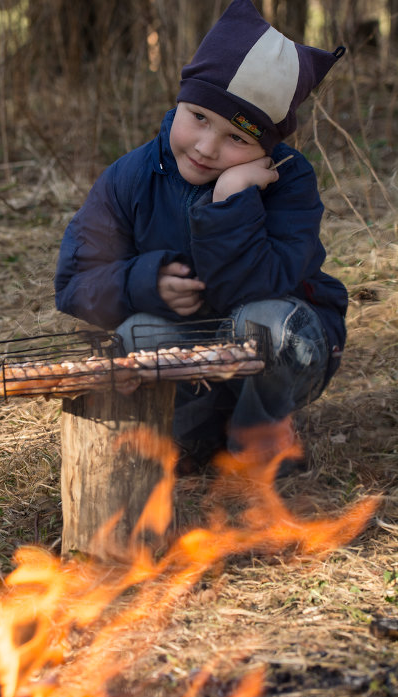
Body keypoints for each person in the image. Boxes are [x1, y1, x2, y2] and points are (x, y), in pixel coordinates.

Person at [54, 0, 348, 474]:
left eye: (238, 138)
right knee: (135, 334)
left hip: (281, 343)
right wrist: (145, 282)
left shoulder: (289, 181)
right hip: (186, 348)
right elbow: (73, 283)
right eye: (199, 117)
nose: (207, 147)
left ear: (266, 146)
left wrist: (230, 200)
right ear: (180, 101)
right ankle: (191, 437)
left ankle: (260, 437)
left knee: (269, 322)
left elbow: (258, 289)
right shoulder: (129, 178)